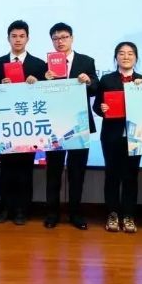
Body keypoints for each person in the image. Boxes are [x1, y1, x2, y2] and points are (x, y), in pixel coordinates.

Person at [0, 20, 48, 225]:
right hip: (5, 125)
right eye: (14, 36)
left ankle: (22, 210)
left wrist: (37, 84)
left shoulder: (38, 64)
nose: (18, 40)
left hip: (28, 126)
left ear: (27, 38)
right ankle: (5, 208)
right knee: (6, 169)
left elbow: (45, 95)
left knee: (25, 170)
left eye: (21, 36)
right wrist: (0, 85)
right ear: (8, 38)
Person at [43, 22, 98, 230]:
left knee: (77, 172)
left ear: (72, 38)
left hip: (79, 125)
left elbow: (95, 87)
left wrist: (88, 81)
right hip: (54, 126)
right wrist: (44, 81)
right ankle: (52, 213)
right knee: (53, 172)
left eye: (64, 37)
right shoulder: (46, 64)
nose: (60, 42)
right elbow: (38, 94)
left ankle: (75, 214)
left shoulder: (86, 61)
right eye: (56, 38)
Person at [93, 42, 142, 233]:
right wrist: (102, 108)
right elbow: (97, 106)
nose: (126, 57)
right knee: (112, 174)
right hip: (111, 135)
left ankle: (129, 215)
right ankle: (113, 213)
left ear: (136, 57)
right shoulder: (107, 79)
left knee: (131, 176)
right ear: (116, 57)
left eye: (130, 53)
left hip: (136, 136)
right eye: (121, 53)